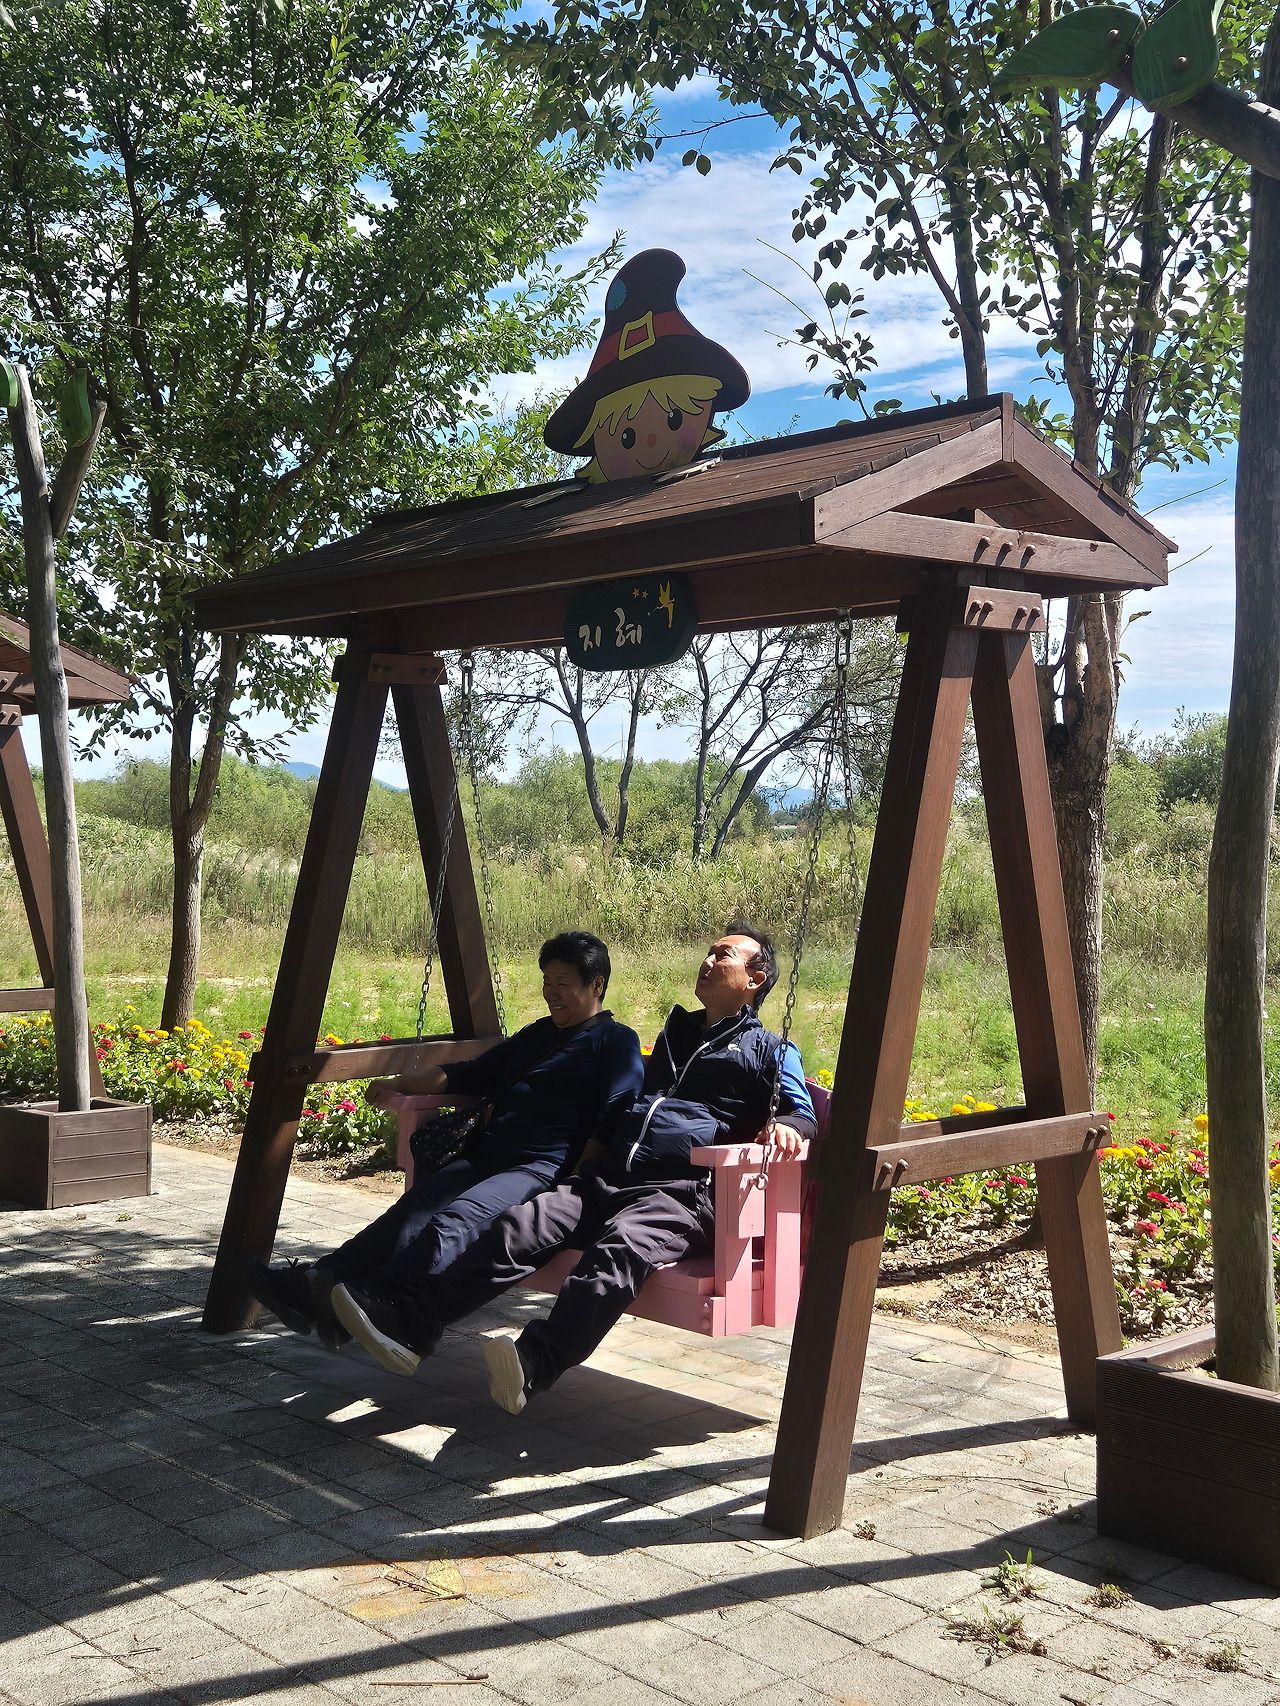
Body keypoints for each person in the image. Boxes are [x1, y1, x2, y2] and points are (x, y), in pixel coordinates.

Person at [330, 922, 817, 1413]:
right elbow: (633, 1104)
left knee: (617, 1252)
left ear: (755, 979)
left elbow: (802, 1113)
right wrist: (588, 1160)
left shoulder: (772, 1050)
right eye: (708, 952)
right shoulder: (677, 1034)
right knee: (517, 1228)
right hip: (610, 1177)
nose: (707, 961)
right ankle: (412, 1325)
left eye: (723, 955)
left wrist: (788, 1126)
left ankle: (536, 1362)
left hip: (680, 1193)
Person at [245, 932, 643, 1350]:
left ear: (596, 984)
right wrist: (400, 1083)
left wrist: (581, 1175)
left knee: (453, 1221)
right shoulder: (539, 1034)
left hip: (537, 1168)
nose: (551, 993)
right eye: (547, 982)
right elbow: (469, 1072)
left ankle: (375, 1304)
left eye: (562, 983)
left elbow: (618, 1108)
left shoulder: (615, 1040)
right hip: (486, 1154)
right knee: (410, 1211)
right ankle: (313, 1287)